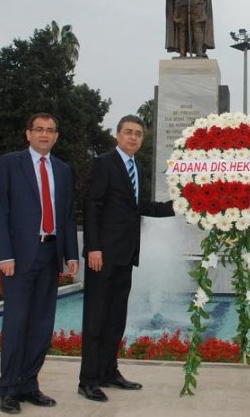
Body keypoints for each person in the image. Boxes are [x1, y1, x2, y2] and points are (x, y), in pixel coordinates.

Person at [78, 115, 174, 403]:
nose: (133, 137)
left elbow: (140, 207)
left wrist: (180, 206)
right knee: (96, 318)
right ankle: (88, 380)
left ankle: (109, 371)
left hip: (126, 255)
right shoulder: (104, 163)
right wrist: (93, 248)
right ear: (117, 135)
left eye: (138, 134)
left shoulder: (137, 167)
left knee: (116, 317)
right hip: (102, 256)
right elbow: (92, 206)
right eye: (128, 132)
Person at [0, 113, 79, 414]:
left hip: (50, 255)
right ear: (28, 134)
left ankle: (29, 384)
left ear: (56, 136)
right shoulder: (10, 164)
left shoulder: (63, 170)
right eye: (39, 129)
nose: (44, 134)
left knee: (42, 325)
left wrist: (71, 254)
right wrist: (5, 255)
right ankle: (8, 389)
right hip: (19, 258)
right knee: (17, 324)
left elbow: (67, 215)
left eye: (50, 130)